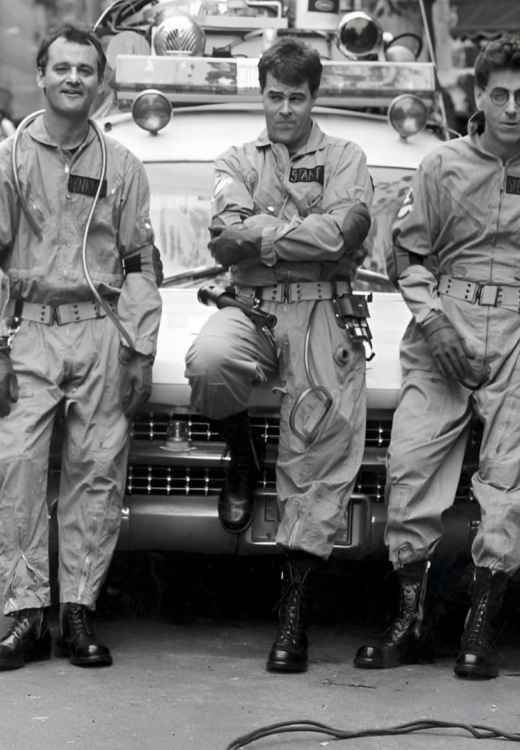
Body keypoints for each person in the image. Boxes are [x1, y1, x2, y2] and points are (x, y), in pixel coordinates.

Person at [353, 35, 520, 680]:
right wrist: (432, 320)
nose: (509, 108)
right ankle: (410, 624)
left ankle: (480, 631)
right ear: (478, 96)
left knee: (512, 484)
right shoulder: (441, 166)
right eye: (497, 95)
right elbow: (408, 253)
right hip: (445, 325)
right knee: (411, 466)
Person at [0, 22, 163, 671]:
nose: (73, 79)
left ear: (100, 80)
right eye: (62, 68)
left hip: (102, 330)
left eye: (85, 69)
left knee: (97, 470)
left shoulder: (124, 166)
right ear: (42, 76)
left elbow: (139, 264)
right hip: (31, 332)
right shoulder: (8, 160)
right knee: (17, 465)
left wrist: (140, 350)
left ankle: (78, 611)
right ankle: (26, 617)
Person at [184, 37, 374, 674]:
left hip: (324, 310)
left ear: (314, 97)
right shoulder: (236, 157)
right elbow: (224, 242)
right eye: (274, 96)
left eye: (297, 97)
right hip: (253, 309)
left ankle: (293, 617)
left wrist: (262, 233)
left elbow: (347, 231)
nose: (285, 108)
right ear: (260, 94)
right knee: (209, 364)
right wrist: (298, 236)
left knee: (317, 449)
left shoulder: (347, 155)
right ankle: (242, 454)